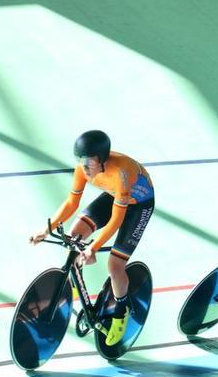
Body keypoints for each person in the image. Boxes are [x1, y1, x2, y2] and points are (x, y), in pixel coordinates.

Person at [29, 130, 154, 346]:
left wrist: (93, 248)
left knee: (115, 265)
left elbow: (116, 220)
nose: (84, 167)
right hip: (114, 196)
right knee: (74, 236)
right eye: (80, 160)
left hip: (138, 206)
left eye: (88, 162)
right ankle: (81, 288)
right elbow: (71, 203)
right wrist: (46, 230)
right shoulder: (83, 169)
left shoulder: (121, 173)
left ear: (102, 159)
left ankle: (120, 314)